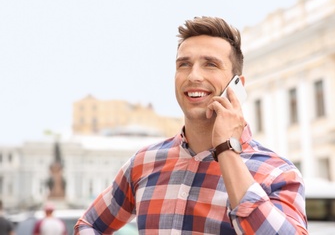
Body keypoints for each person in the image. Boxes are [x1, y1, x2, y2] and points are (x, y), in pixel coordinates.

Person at [74, 16, 308, 234]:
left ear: (238, 85)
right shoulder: (144, 162)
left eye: (210, 64)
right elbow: (88, 224)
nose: (193, 76)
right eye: (184, 64)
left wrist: (227, 150)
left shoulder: (278, 173)